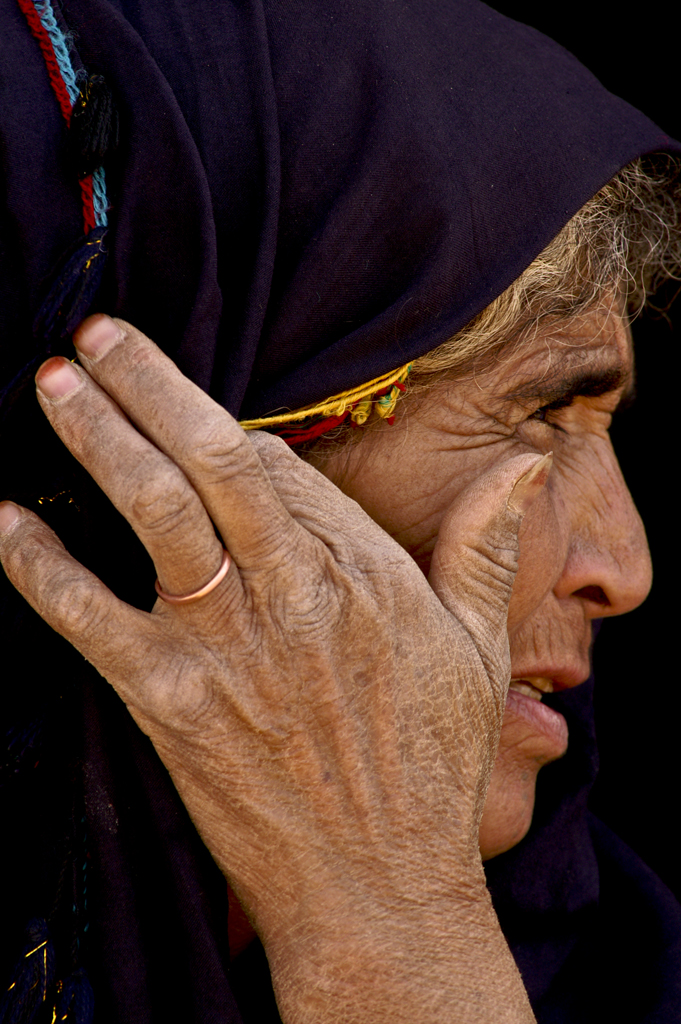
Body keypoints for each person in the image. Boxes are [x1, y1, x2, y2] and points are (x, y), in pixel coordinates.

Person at [0, 1, 680, 1021]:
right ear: (194, 423)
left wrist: (391, 920)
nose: (623, 569)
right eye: (543, 410)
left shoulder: (609, 963)